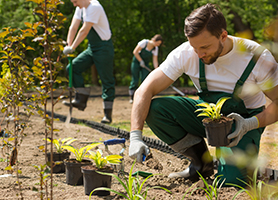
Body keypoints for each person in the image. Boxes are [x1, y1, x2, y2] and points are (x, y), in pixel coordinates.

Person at [128, 3, 278, 187]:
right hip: (208, 117)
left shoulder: (256, 57)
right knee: (156, 109)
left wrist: (249, 124)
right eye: (194, 47)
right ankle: (201, 163)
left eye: (205, 47)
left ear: (223, 35)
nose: (199, 54)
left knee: (231, 183)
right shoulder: (186, 53)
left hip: (243, 124)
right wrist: (135, 136)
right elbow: (144, 89)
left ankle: (237, 161)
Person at [62, 0, 115, 124]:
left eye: (75, 1)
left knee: (107, 81)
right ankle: (80, 100)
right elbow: (73, 27)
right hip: (92, 48)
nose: (74, 4)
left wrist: (73, 47)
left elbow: (84, 30)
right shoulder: (80, 7)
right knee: (72, 67)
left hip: (104, 48)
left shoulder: (94, 7)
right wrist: (68, 44)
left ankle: (107, 115)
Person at [128, 34, 163, 103]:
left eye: (159, 44)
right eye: (157, 43)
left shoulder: (155, 49)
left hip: (145, 65)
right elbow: (135, 52)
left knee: (144, 80)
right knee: (135, 80)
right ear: (153, 40)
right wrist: (141, 61)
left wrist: (157, 70)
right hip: (137, 62)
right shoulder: (144, 43)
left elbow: (155, 60)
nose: (158, 45)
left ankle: (142, 97)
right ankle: (132, 97)